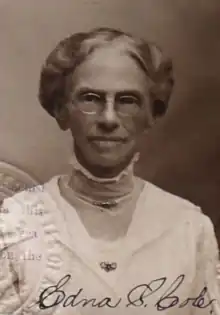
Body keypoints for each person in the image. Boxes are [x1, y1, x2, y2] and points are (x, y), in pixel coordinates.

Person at [0, 27, 219, 315]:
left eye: (128, 101)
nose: (109, 118)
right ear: (62, 110)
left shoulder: (189, 229)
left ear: (152, 113)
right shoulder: (15, 224)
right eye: (91, 98)